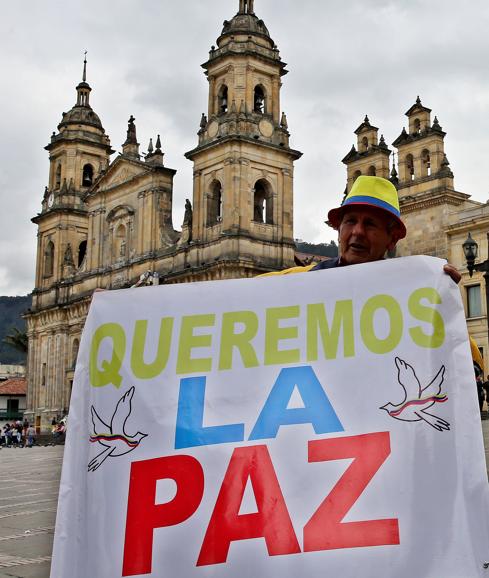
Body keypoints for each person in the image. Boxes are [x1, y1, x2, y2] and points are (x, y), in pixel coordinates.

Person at [310, 175, 461, 283]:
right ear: (338, 230)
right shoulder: (310, 281)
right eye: (350, 221)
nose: (357, 231)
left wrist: (443, 288)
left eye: (370, 224)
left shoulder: (413, 284)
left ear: (392, 239)